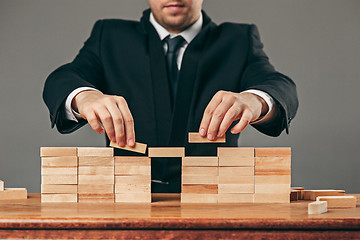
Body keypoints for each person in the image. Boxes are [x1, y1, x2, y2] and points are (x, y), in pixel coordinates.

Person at [43, 0, 298, 193]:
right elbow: (62, 79)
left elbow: (280, 86)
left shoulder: (239, 39)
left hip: (214, 204)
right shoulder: (108, 35)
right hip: (125, 205)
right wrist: (84, 97)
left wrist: (256, 100)